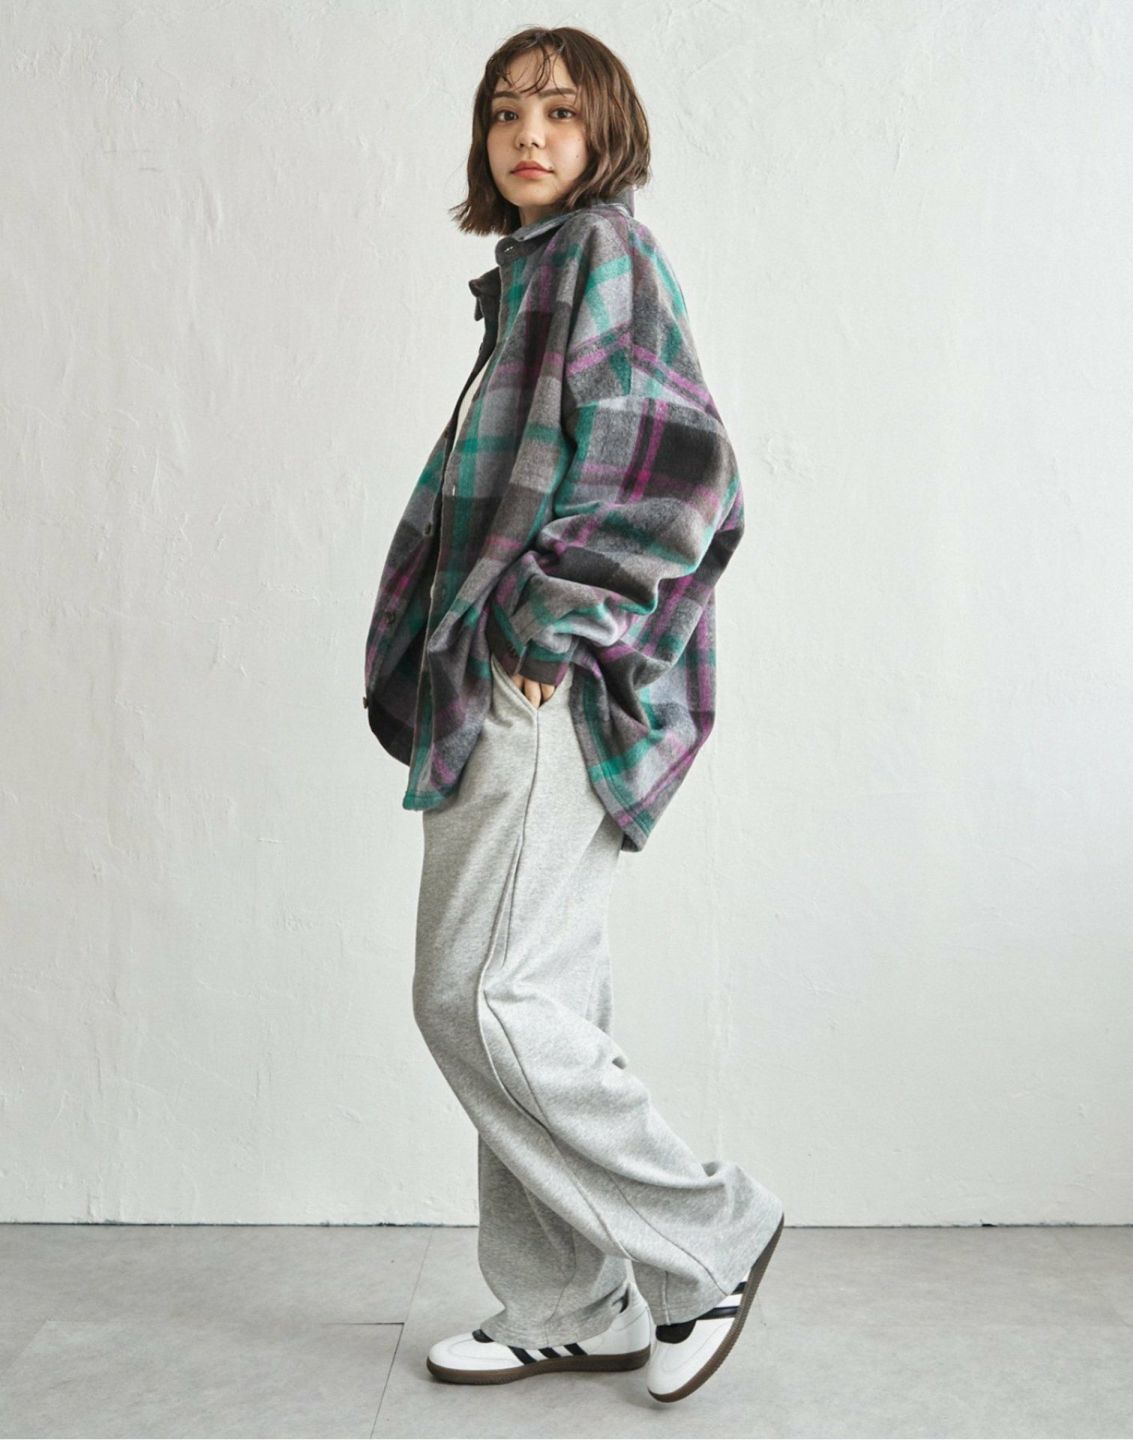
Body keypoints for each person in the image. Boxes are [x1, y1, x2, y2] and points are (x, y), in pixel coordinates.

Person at [363, 26, 784, 1405]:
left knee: (477, 995)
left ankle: (708, 1241)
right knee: (534, 997)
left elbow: (683, 469)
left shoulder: (604, 255)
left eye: (555, 109)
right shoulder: (534, 278)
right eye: (504, 113)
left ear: (606, 129)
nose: (526, 134)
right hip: (505, 677)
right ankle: (570, 1299)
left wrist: (548, 622)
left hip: (543, 685)